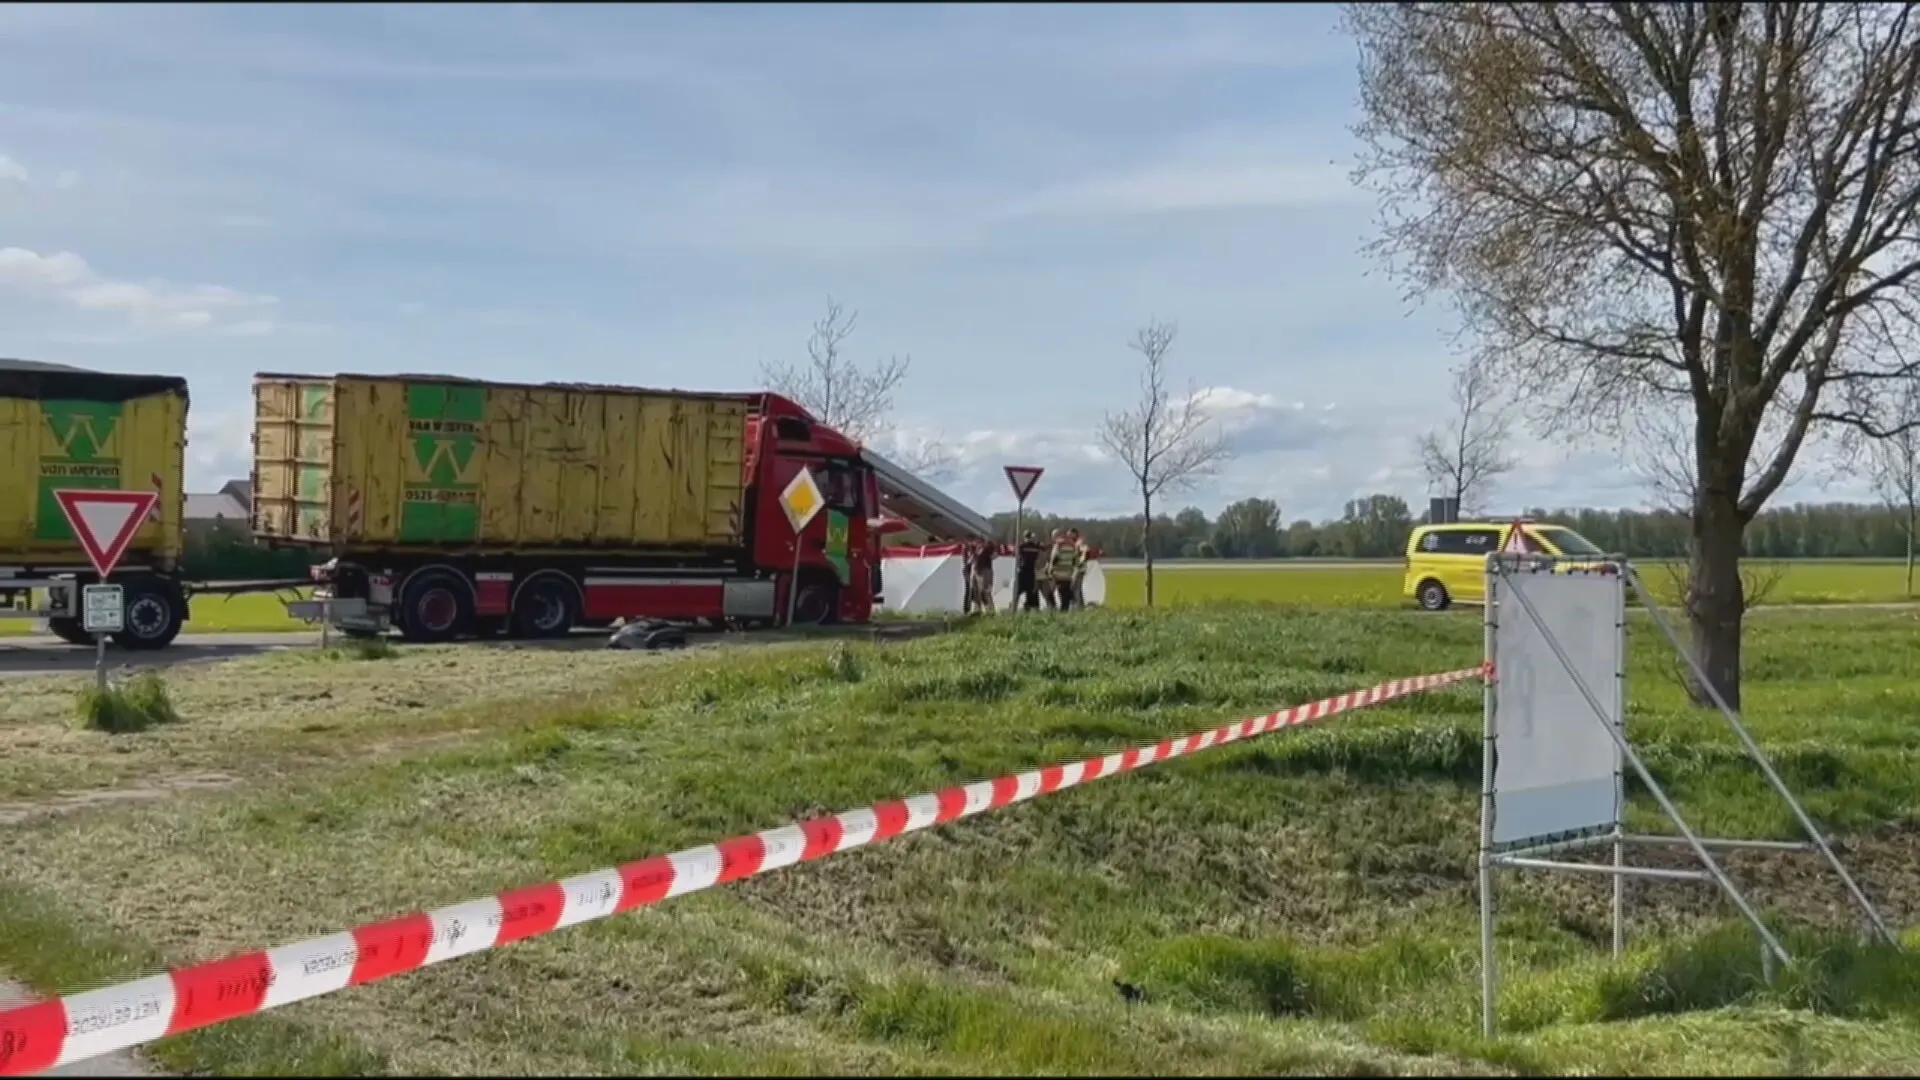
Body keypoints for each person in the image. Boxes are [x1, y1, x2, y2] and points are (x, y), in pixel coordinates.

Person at [1048, 528, 1083, 611]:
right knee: (1065, 595)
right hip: (1068, 574)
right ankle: (1066, 608)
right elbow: (1075, 560)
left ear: (1056, 536)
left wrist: (1050, 570)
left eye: (1053, 536)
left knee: (1051, 593)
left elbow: (1054, 559)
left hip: (1058, 574)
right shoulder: (1072, 545)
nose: (1052, 538)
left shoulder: (1058, 544)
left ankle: (1058, 611)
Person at [1014, 530, 1043, 612]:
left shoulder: (1022, 546)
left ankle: (1015, 609)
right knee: (1029, 592)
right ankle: (1026, 609)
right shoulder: (1035, 547)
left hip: (1023, 571)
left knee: (1018, 592)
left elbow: (1017, 553)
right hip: (1030, 571)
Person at [968, 539, 996, 615]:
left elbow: (994, 555)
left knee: (985, 591)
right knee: (977, 591)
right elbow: (971, 560)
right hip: (977, 570)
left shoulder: (987, 547)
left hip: (984, 570)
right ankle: (977, 610)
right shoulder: (975, 548)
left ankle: (990, 610)